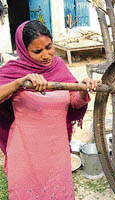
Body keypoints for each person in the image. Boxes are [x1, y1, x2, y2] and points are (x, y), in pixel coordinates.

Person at [0, 20, 101, 199]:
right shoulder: (14, 71)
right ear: (23, 50)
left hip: (57, 149)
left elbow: (73, 101)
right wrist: (19, 83)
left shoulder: (58, 66)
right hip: (26, 151)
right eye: (37, 51)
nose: (46, 55)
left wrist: (84, 89)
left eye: (49, 47)